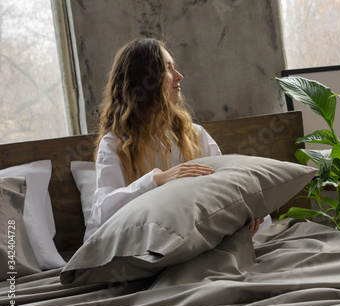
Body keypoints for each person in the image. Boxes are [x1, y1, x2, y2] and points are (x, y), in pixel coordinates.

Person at [85, 38, 263, 242]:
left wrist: (245, 217)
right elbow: (103, 213)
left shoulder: (195, 134)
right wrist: (157, 180)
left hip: (193, 239)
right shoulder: (114, 144)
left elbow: (227, 185)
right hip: (143, 243)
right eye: (167, 69)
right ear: (144, 80)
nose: (179, 76)